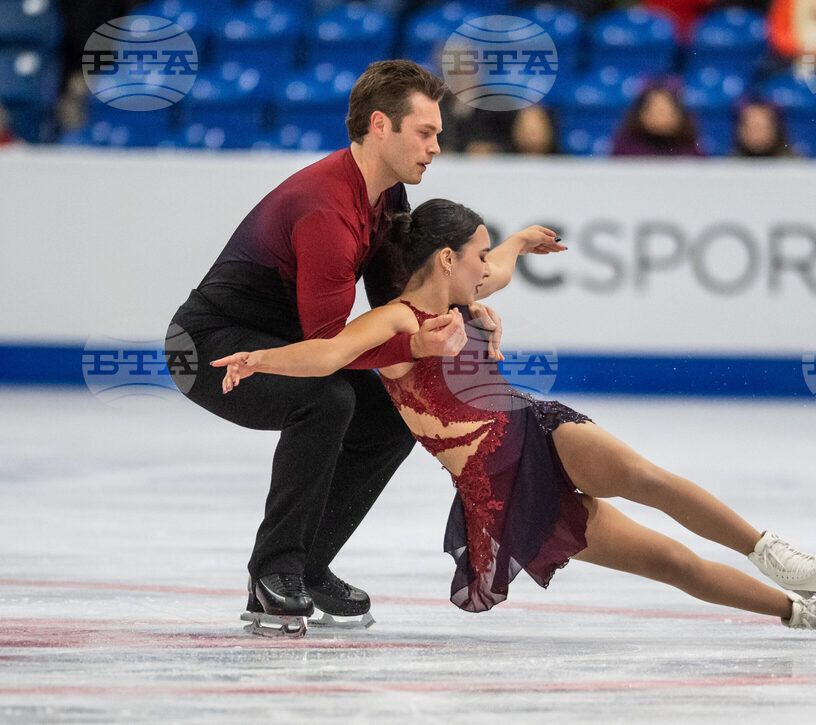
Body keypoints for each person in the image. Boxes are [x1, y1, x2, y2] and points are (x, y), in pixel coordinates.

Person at [212, 199, 816, 642]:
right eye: (475, 252)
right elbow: (329, 351)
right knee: (674, 562)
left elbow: (500, 268)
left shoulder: (471, 292)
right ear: (445, 258)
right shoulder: (396, 323)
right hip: (503, 493)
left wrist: (518, 242)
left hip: (537, 430)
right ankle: (806, 612)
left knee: (645, 476)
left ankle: (772, 551)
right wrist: (260, 358)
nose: (486, 266)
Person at [166, 60, 555, 637]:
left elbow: (398, 300)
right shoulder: (325, 207)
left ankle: (307, 564)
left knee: (386, 417)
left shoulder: (385, 193)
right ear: (381, 126)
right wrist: (414, 341)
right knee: (326, 402)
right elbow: (329, 343)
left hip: (280, 340)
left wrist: (462, 310)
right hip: (209, 348)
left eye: (438, 135)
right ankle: (275, 572)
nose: (436, 148)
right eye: (426, 133)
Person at [611, 82, 703, 157]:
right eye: (654, 111)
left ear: (679, 115)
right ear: (641, 114)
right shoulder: (625, 149)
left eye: (665, 112)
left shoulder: (690, 148)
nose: (660, 118)